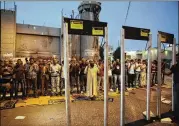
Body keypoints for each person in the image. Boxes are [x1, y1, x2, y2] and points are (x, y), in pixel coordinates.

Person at [163, 53, 179, 123]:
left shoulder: (174, 66)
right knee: (176, 101)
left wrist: (162, 71)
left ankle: (176, 117)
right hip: (176, 84)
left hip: (177, 85)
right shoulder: (174, 66)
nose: (177, 59)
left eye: (177, 57)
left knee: (176, 102)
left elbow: (168, 73)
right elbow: (168, 73)